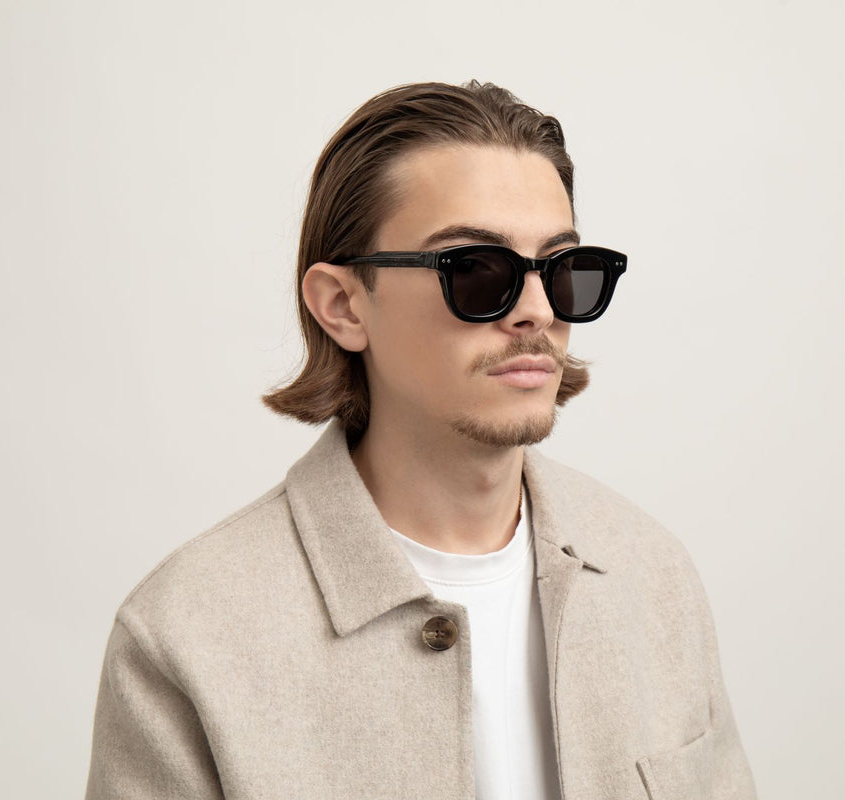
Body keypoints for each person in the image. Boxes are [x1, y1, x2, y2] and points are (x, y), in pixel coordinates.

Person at [85, 80, 757, 800]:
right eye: (476, 269)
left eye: (563, 271)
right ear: (343, 306)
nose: (537, 311)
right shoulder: (188, 633)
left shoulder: (653, 576)